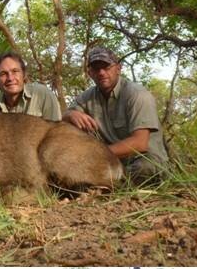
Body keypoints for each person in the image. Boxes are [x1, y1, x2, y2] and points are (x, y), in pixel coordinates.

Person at [62, 46, 168, 183]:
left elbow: (140, 143)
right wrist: (70, 114)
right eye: (96, 69)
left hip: (144, 159)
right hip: (111, 162)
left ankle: (105, 185)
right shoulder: (86, 97)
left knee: (144, 169)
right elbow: (62, 120)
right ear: (90, 73)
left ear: (118, 69)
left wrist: (93, 154)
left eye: (106, 67)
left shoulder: (138, 95)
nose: (101, 72)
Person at [0, 52, 62, 120]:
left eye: (15, 71)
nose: (10, 78)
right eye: (3, 74)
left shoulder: (42, 95)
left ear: (24, 75)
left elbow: (56, 133)